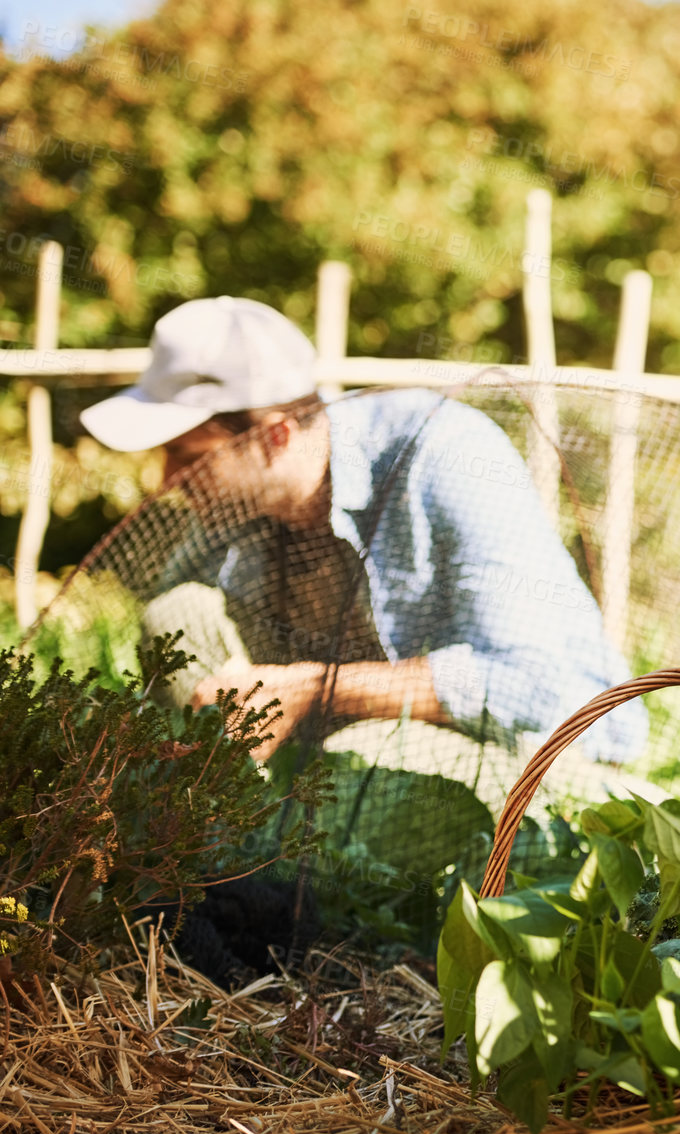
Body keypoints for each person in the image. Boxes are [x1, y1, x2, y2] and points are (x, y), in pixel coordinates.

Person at [78, 296, 647, 800]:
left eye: (185, 453)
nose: (166, 479)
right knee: (175, 615)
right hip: (339, 748)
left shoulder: (445, 453)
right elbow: (185, 649)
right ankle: (231, 836)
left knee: (362, 761)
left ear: (274, 437)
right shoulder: (239, 501)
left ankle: (283, 849)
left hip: (534, 756)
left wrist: (311, 689)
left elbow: (532, 685)